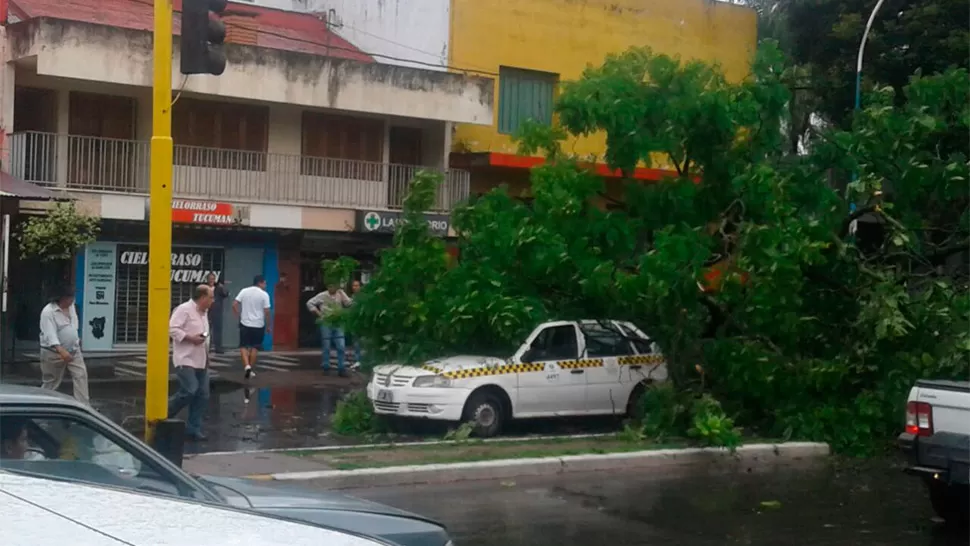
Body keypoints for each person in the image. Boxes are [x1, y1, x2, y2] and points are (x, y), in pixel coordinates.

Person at [168, 284, 214, 441]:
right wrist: (190, 338)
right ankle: (165, 412)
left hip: (201, 359)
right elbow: (172, 329)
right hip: (185, 358)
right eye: (210, 297)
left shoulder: (204, 313)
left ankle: (193, 428)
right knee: (190, 389)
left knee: (203, 394)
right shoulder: (184, 309)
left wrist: (208, 356)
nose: (212, 301)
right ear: (202, 298)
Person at [38, 286, 89, 405]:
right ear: (61, 299)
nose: (72, 300)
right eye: (69, 298)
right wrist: (61, 350)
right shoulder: (48, 312)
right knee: (51, 381)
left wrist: (75, 339)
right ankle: (42, 405)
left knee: (80, 375)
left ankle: (84, 405)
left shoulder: (71, 307)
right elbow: (50, 334)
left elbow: (74, 322)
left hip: (73, 350)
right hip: (53, 352)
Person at [306, 281, 351, 376]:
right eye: (330, 286)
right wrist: (318, 314)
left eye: (334, 286)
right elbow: (310, 303)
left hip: (338, 322)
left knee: (341, 346)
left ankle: (341, 368)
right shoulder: (322, 295)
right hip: (326, 322)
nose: (332, 288)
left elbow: (348, 303)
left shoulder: (340, 294)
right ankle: (326, 367)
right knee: (326, 345)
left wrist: (342, 293)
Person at [233, 275, 271, 380]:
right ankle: (251, 368)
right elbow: (267, 312)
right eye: (265, 283)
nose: (265, 285)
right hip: (258, 324)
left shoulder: (244, 291)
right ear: (260, 283)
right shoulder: (264, 295)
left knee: (243, 346)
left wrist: (239, 316)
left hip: (245, 323)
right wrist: (268, 325)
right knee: (255, 347)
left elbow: (235, 304)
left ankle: (246, 366)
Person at [206, 272, 230, 354]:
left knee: (217, 330)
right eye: (210, 279)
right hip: (206, 311)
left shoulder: (218, 288)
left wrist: (223, 287)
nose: (211, 280)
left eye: (213, 279)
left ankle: (218, 347)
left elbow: (226, 294)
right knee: (206, 330)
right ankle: (206, 347)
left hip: (217, 311)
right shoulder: (204, 288)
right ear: (207, 279)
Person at [348, 279, 363, 366]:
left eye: (357, 285)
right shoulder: (352, 297)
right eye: (354, 286)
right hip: (355, 322)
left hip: (362, 322)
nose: (355, 287)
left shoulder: (363, 297)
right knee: (356, 342)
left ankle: (362, 361)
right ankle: (357, 360)